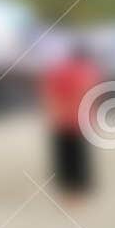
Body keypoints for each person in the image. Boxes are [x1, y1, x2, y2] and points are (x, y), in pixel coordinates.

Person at [41, 43, 101, 196]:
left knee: (65, 158)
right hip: (79, 120)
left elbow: (50, 94)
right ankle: (80, 188)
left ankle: (67, 188)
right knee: (80, 157)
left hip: (62, 119)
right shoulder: (87, 72)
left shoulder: (59, 71)